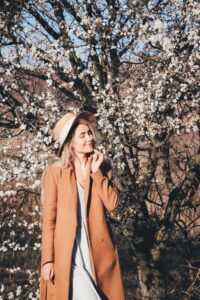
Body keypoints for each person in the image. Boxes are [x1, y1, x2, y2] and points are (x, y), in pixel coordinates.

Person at [39, 111, 125, 300]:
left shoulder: (103, 168)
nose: (90, 138)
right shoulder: (55, 173)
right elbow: (49, 220)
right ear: (71, 141)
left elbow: (113, 204)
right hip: (68, 255)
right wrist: (48, 259)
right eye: (83, 135)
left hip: (98, 253)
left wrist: (96, 174)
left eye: (90, 133)